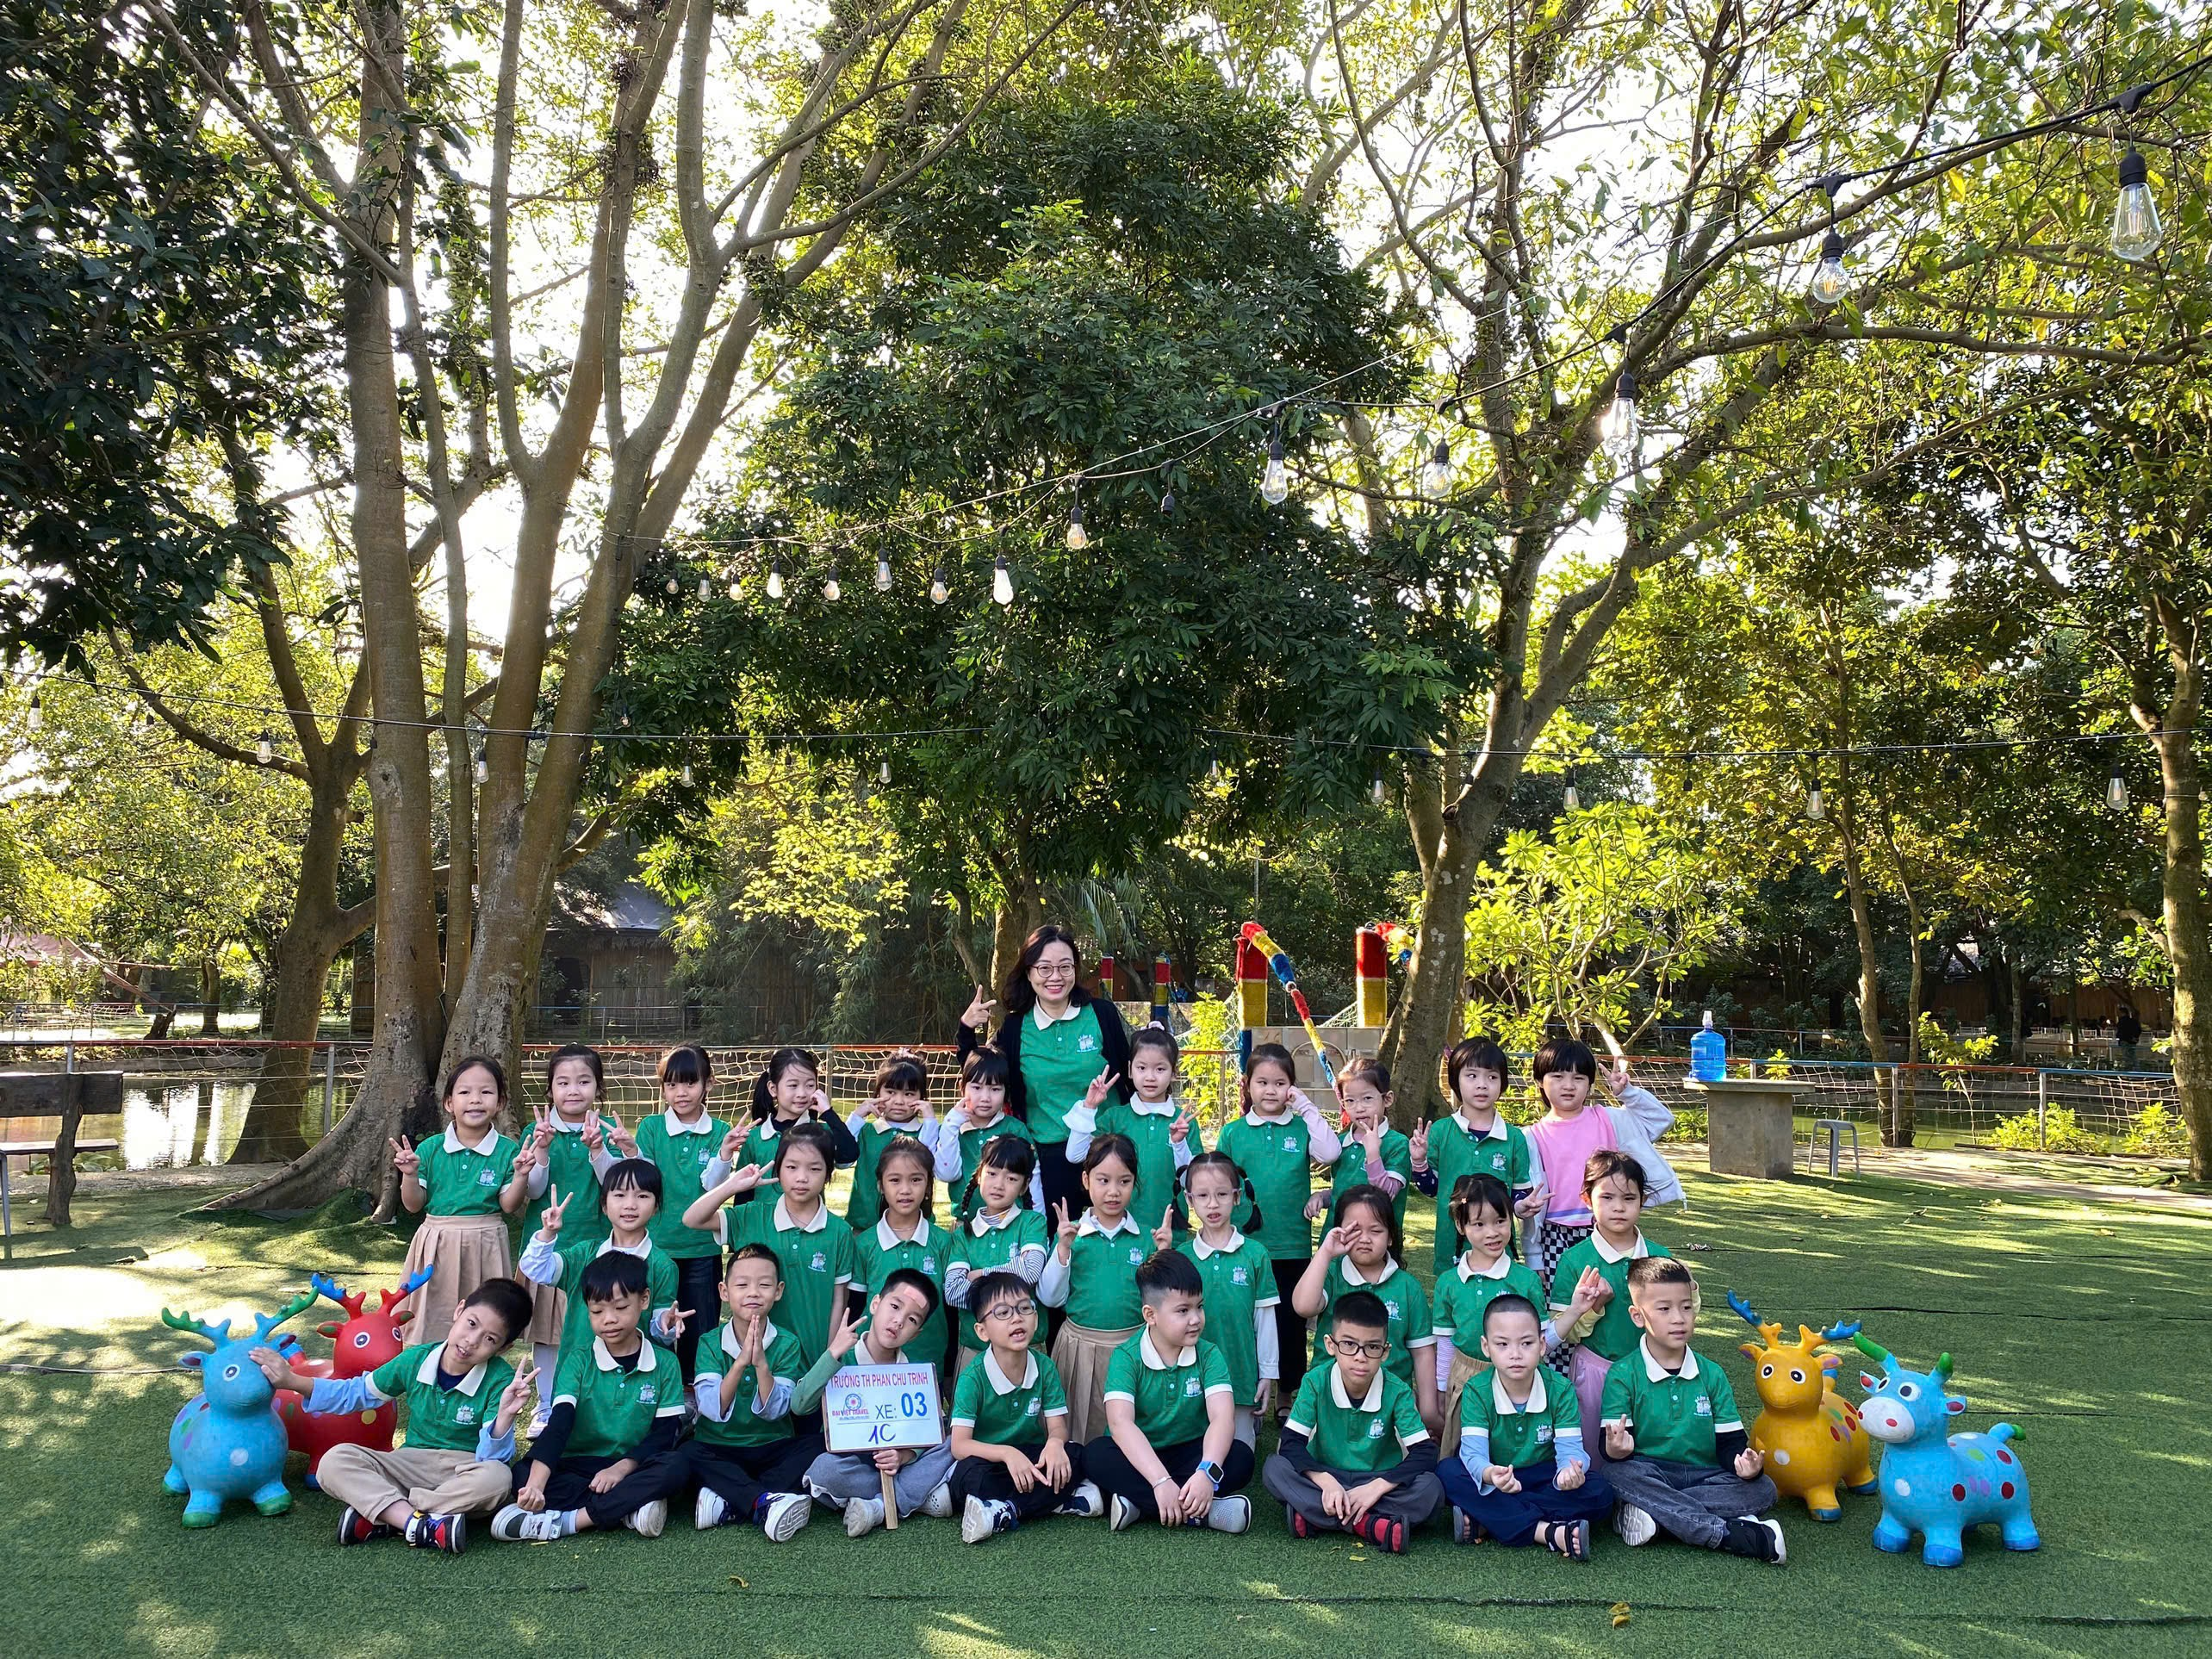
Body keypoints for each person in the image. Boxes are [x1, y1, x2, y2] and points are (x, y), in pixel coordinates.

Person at [249, 1277, 536, 1555]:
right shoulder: (415, 1360)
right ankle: (422, 1523)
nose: (471, 1341)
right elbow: (356, 1393)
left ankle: (389, 1516)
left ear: (504, 1348)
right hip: (410, 1464)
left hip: (464, 1469)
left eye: (489, 1338)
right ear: (459, 1310)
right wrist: (292, 1381)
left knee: (498, 1479)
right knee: (334, 1461)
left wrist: (504, 1419)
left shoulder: (502, 1380)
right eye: (471, 1324)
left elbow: (491, 1459)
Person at [491, 1253, 692, 1542]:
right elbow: (559, 1424)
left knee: (678, 1466)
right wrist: (535, 1486)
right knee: (523, 1475)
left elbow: (664, 1434)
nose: (609, 1320)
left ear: (644, 1299)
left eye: (620, 1307)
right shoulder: (578, 1360)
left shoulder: (665, 1363)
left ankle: (573, 1521)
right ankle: (628, 1509)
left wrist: (620, 1470)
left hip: (632, 1463)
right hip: (578, 1463)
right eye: (597, 1312)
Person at [1600, 1258, 1785, 1563]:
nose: (1679, 1318)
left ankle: (1656, 1517)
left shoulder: (1712, 1373)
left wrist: (1745, 1465)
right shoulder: (1623, 1374)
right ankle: (1728, 1534)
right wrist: (1617, 1449)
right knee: (1613, 1474)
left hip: (1706, 1476)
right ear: (1637, 1315)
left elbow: (1730, 1443)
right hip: (1651, 1473)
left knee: (1763, 1489)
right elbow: (1612, 1453)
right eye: (1664, 1309)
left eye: (1686, 1307)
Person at [955, 925, 1135, 1221]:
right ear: (1028, 972)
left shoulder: (1102, 1014)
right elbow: (982, 1073)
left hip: (1107, 1151)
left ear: (1075, 970)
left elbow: (1132, 1072)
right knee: (1057, 1243)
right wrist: (966, 1030)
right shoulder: (1015, 1028)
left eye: (1065, 967)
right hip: (1048, 1156)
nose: (1056, 977)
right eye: (1045, 968)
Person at [1084, 1250, 1253, 1533]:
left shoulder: (1209, 1354)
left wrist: (1206, 1474)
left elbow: (1222, 1419)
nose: (1196, 1319)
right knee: (1095, 1456)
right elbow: (1120, 1423)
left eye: (1199, 1307)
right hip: (1140, 1455)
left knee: (1241, 1458)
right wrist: (1160, 1481)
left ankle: (1138, 1504)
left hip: (1191, 1452)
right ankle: (1205, 1513)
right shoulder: (1127, 1356)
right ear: (1150, 1315)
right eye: (1183, 1310)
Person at [1263, 1289, 1443, 1552]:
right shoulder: (1315, 1381)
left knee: (1432, 1489)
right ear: (1330, 1345)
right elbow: (1291, 1443)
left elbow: (1425, 1452)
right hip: (1325, 1476)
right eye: (1349, 1344)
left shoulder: (1397, 1390)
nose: (1360, 1356)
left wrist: (1377, 1488)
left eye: (1372, 1347)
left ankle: (1318, 1517)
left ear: (1385, 1352)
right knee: (1274, 1469)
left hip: (1378, 1479)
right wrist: (1325, 1481)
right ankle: (1370, 1524)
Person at [1215, 1041, 1340, 1415]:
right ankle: (1246, 1390)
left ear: (1292, 1087)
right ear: (1247, 1085)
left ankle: (1288, 1392)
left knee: (1290, 1321)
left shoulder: (1302, 1128)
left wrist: (1305, 1106)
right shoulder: (1234, 1132)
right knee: (1246, 1316)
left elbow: (1330, 1153)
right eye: (1263, 1082)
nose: (1271, 1091)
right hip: (1245, 1244)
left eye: (1280, 1083)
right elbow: (1220, 1181)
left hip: (1293, 1246)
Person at [1438, 1293, 1613, 1556]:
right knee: (1448, 1473)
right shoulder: (1477, 1389)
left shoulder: (1560, 1388)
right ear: (1486, 1347)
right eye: (1503, 1344)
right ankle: (1550, 1533)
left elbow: (1571, 1449)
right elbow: (1473, 1453)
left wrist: (1569, 1473)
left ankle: (1488, 1521)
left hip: (1545, 1475)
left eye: (1526, 1343)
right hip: (1499, 1476)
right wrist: (1488, 1473)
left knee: (1600, 1492)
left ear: (1542, 1344)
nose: (1516, 1354)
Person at [792, 1271, 956, 1536]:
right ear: (876, 1303)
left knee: (952, 1441)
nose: (898, 1321)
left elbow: (929, 1434)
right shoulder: (841, 1359)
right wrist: (832, 1353)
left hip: (897, 1462)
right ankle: (913, 1496)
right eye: (894, 1306)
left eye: (912, 1319)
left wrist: (904, 1455)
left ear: (916, 1334)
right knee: (822, 1471)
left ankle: (878, 1505)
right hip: (850, 1463)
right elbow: (799, 1405)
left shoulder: (914, 1373)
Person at [947, 1269, 1104, 1543]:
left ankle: (1005, 1510)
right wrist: (1007, 1454)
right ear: (982, 1331)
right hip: (990, 1461)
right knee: (967, 1479)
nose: (1016, 1318)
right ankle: (1055, 1500)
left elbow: (1057, 1428)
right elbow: (960, 1446)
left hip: (1033, 1458)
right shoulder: (973, 1377)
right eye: (1003, 1313)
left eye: (1024, 1308)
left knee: (1077, 1455)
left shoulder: (1044, 1365)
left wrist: (1055, 1445)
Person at [685, 1123, 855, 1374]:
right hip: (755, 1366)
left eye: (815, 1168)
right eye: (792, 1167)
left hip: (811, 1364)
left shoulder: (839, 1231)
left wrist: (827, 1362)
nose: (801, 1177)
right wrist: (731, 1186)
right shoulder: (752, 1217)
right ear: (778, 1169)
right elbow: (692, 1219)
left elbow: (838, 1301)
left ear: (828, 1173)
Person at [606, 1043, 730, 1378]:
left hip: (702, 1249)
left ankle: (696, 1392)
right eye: (671, 1085)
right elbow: (649, 1182)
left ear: (708, 1084)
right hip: (656, 1250)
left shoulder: (720, 1132)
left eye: (690, 1083)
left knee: (700, 1327)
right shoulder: (651, 1128)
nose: (681, 1092)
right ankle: (656, 1391)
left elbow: (712, 1187)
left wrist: (724, 1155)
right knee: (654, 1325)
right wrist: (633, 1152)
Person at [391, 1056, 530, 1349]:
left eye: (486, 1092)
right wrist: (410, 1175)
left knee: (485, 1320)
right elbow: (413, 1205)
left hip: (486, 1241)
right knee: (429, 1317)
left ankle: (478, 1385)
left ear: (501, 1102)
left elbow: (508, 1205)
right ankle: (429, 1375)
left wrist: (520, 1176)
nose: (475, 1100)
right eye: (465, 1092)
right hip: (436, 1241)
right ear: (448, 1102)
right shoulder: (430, 1148)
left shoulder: (507, 1150)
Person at [687, 1243, 819, 1540]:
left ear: (779, 1290)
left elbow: (777, 1411)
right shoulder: (709, 1341)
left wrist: (761, 1365)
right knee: (687, 1454)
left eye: (764, 1285)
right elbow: (710, 1408)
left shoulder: (787, 1343)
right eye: (742, 1285)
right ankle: (764, 1501)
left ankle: (731, 1502)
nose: (753, 1293)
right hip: (718, 1446)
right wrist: (739, 1363)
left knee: (816, 1445)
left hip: (771, 1446)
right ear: (724, 1291)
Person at [1522, 1041, 1682, 1282]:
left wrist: (1627, 1093)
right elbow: (1531, 1202)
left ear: (1590, 1083)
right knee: (1563, 1307)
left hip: (1609, 1228)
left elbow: (1661, 1120)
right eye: (1557, 1076)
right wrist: (1534, 1257)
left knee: (1616, 1298)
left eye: (1578, 1078)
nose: (1568, 1086)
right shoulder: (1530, 1137)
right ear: (1539, 1082)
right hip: (1556, 1234)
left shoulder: (1608, 1118)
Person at [1290, 1184, 1439, 1431]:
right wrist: (1326, 1253)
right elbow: (1303, 1306)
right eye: (1355, 1230)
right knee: (1288, 1459)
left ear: (1391, 1236)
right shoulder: (1332, 1274)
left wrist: (1429, 1410)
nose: (1365, 1239)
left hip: (1391, 1400)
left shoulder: (1407, 1287)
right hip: (1328, 1394)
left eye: (1376, 1230)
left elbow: (1422, 1351)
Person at [1428, 1173, 1556, 1457]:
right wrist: (1440, 1387)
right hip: (1465, 1376)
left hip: (1519, 1375)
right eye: (1479, 1224)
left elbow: (1542, 1338)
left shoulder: (1525, 1280)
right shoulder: (1449, 1283)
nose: (1492, 1232)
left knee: (1511, 1447)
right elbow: (1447, 1342)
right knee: (1466, 1449)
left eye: (1500, 1221)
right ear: (1461, 1226)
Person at [1547, 1150, 1671, 1435]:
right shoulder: (1575, 1260)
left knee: (1650, 1444)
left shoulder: (1659, 1257)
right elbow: (1562, 1331)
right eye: (1607, 1197)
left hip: (1652, 1370)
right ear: (1587, 1199)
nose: (1619, 1207)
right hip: (1595, 1371)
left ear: (1643, 1200)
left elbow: (1683, 1317)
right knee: (1595, 1447)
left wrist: (1687, 1291)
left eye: (1629, 1198)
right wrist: (1591, 1308)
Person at [513, 1044, 612, 1396]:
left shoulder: (609, 1129)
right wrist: (541, 1149)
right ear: (551, 1089)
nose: (573, 1090)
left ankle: (585, 1401)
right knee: (548, 1333)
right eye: (563, 1083)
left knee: (596, 1329)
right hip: (547, 1250)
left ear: (597, 1088)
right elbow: (533, 1189)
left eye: (584, 1082)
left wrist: (598, 1150)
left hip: (596, 1250)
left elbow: (614, 1186)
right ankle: (545, 1406)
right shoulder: (535, 1131)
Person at [1037, 1134, 1148, 1441]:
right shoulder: (1072, 1233)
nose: (1113, 1192)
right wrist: (1063, 1250)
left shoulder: (1147, 1238)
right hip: (1079, 1349)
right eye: (1103, 1180)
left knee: (1128, 1433)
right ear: (1086, 1180)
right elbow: (1049, 1296)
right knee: (1076, 1433)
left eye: (1124, 1181)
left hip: (1132, 1349)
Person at [517, 1158, 684, 1359]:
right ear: (604, 1205)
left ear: (656, 1206)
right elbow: (536, 1270)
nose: (630, 1205)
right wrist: (547, 1233)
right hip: (580, 1370)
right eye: (620, 1195)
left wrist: (666, 1321)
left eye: (642, 1196)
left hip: (633, 1373)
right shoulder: (584, 1254)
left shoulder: (662, 1265)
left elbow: (661, 1327)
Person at [1174, 1150, 1279, 1446]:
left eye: (1222, 1194)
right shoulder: (1182, 1257)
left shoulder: (1255, 1254)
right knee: (1192, 1450)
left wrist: (1267, 1375)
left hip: (1241, 1374)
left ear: (1236, 1196)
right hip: (1190, 1375)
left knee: (1238, 1458)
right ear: (1190, 1199)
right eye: (1203, 1196)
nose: (1212, 1204)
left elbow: (1265, 1319)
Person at [1410, 1037, 1541, 1274]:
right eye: (1472, 1076)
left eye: (1492, 1077)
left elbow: (1518, 1194)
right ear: (1455, 1081)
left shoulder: (1514, 1138)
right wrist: (1419, 1161)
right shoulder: (1441, 1131)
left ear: (1502, 1084)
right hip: (1451, 1249)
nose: (1482, 1085)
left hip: (1499, 1249)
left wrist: (1523, 1207)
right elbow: (1431, 1189)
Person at [1066, 1023, 1196, 1240]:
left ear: (1174, 1072)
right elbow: (1075, 1155)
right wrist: (1089, 1106)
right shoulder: (1115, 1118)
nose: (1150, 1077)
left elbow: (1190, 1183)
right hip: (1120, 1232)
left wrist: (1179, 1143)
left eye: (1160, 1069)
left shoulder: (1183, 1122)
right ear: (1129, 1070)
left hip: (1170, 1233)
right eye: (1141, 1068)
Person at [945, 1134, 1052, 1370]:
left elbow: (1031, 1271)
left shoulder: (1032, 1223)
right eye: (992, 1174)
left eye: (1011, 1178)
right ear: (979, 1175)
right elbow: (953, 1292)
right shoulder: (963, 1234)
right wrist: (1013, 1279)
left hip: (1027, 1351)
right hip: (975, 1352)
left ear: (1024, 1186)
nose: (999, 1184)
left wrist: (981, 1275)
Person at [852, 1136, 954, 1374]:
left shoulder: (944, 1242)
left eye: (916, 1180)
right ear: (880, 1185)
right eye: (895, 1180)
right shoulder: (864, 1243)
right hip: (871, 1367)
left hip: (928, 1366)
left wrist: (948, 1368)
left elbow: (951, 1313)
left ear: (929, 1185)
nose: (905, 1190)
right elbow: (855, 1307)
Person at [708, 1047, 859, 1207]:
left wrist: (829, 1113)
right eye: (793, 1085)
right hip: (763, 1229)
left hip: (808, 1229)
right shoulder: (754, 1139)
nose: (802, 1093)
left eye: (809, 1085)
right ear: (773, 1089)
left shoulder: (821, 1132)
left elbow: (849, 1155)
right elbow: (743, 1197)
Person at [934, 1047, 1044, 1219]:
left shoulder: (1015, 1130)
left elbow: (1033, 1178)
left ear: (1005, 1091)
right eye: (977, 1088)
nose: (985, 1098)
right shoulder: (951, 1130)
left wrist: (1038, 1222)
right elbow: (947, 1174)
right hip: (966, 1227)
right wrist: (951, 1125)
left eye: (995, 1089)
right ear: (962, 1088)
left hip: (1012, 1226)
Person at [844, 1052, 941, 1230]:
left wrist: (930, 1122)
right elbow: (841, 1161)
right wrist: (857, 1117)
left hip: (915, 1231)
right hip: (865, 1228)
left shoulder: (927, 1132)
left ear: (922, 1097)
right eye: (890, 1092)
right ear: (877, 1092)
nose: (899, 1101)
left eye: (909, 1094)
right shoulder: (867, 1132)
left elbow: (933, 1166)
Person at [1314, 1058, 1412, 1234]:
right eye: (1350, 1101)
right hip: (1336, 1243)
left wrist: (1373, 1154)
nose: (1359, 1108)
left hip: (1376, 1246)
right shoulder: (1341, 1141)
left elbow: (1386, 1195)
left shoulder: (1397, 1144)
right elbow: (1341, 1192)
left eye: (1367, 1098)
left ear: (1387, 1099)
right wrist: (1322, 1197)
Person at [2116, 1003, 2143, 1070]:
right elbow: (2139, 1030)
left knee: (2126, 1057)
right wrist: (2135, 1037)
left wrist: (2119, 1036)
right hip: (2132, 1041)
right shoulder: (2133, 1021)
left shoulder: (2122, 1021)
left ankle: (2129, 1070)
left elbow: (2120, 1031)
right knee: (2133, 1056)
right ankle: (2137, 1069)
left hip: (2125, 1040)